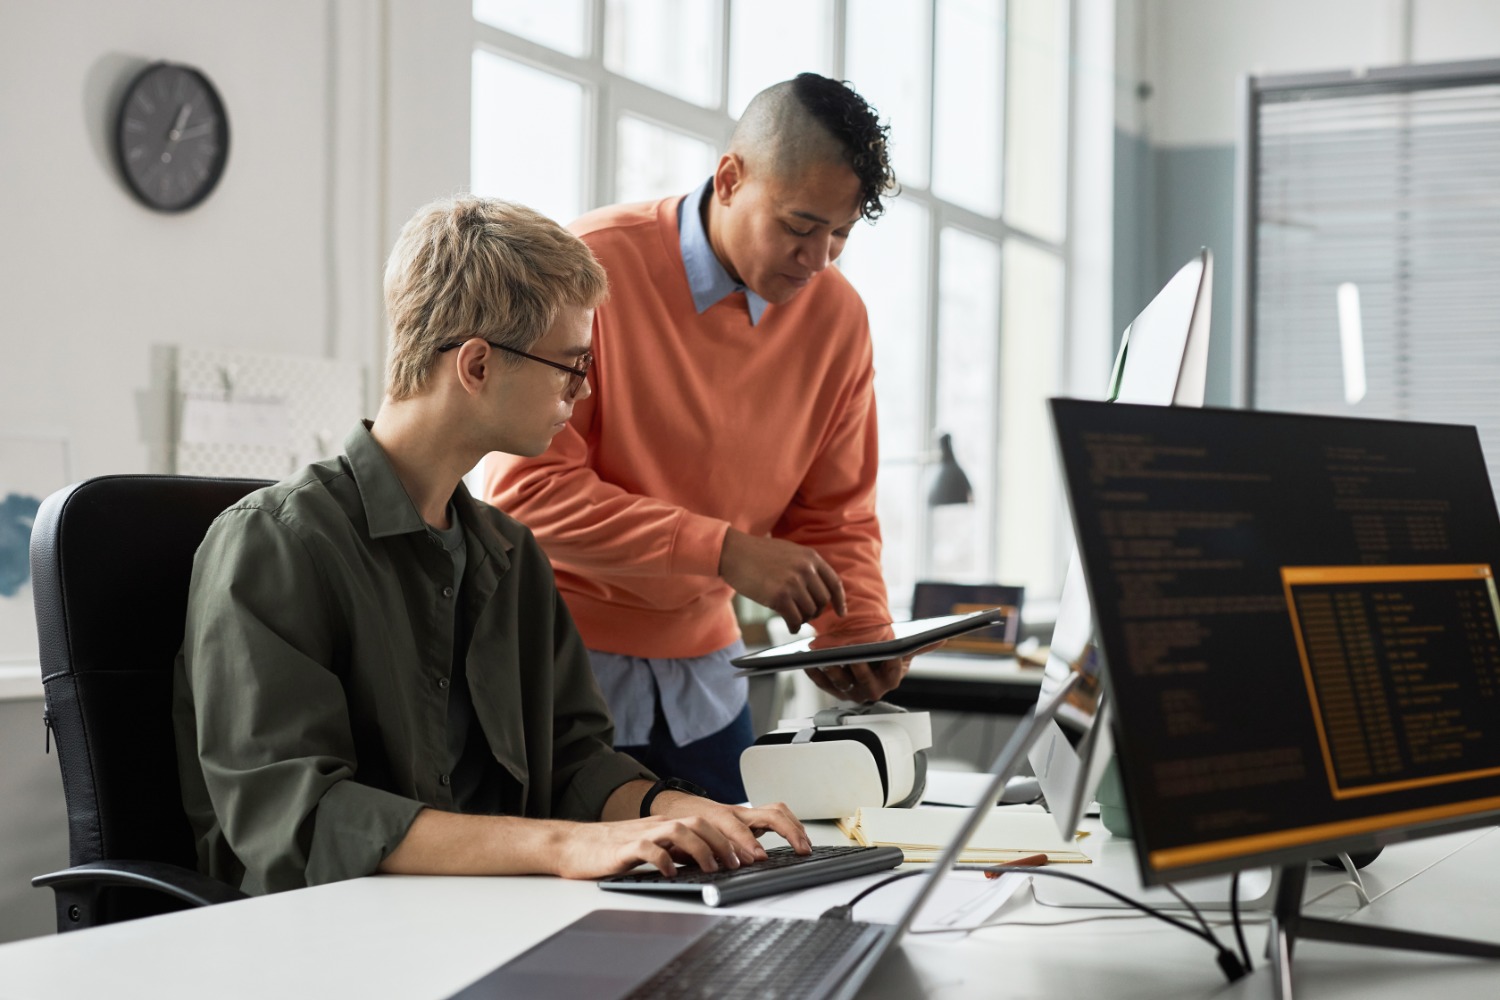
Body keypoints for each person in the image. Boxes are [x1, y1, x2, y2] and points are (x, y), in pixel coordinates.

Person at [172, 196, 809, 895]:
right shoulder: (275, 544)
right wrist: (564, 845)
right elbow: (302, 819)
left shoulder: (512, 557)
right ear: (476, 366)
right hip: (330, 943)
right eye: (569, 365)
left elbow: (575, 763)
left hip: (497, 922)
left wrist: (680, 812)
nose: (584, 387)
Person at [484, 73, 908, 804]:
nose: (819, 260)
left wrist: (856, 629)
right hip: (556, 668)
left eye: (840, 235)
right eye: (801, 226)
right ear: (731, 178)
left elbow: (833, 514)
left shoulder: (839, 320)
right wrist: (724, 550)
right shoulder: (588, 269)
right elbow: (527, 495)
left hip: (707, 682)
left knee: (750, 880)